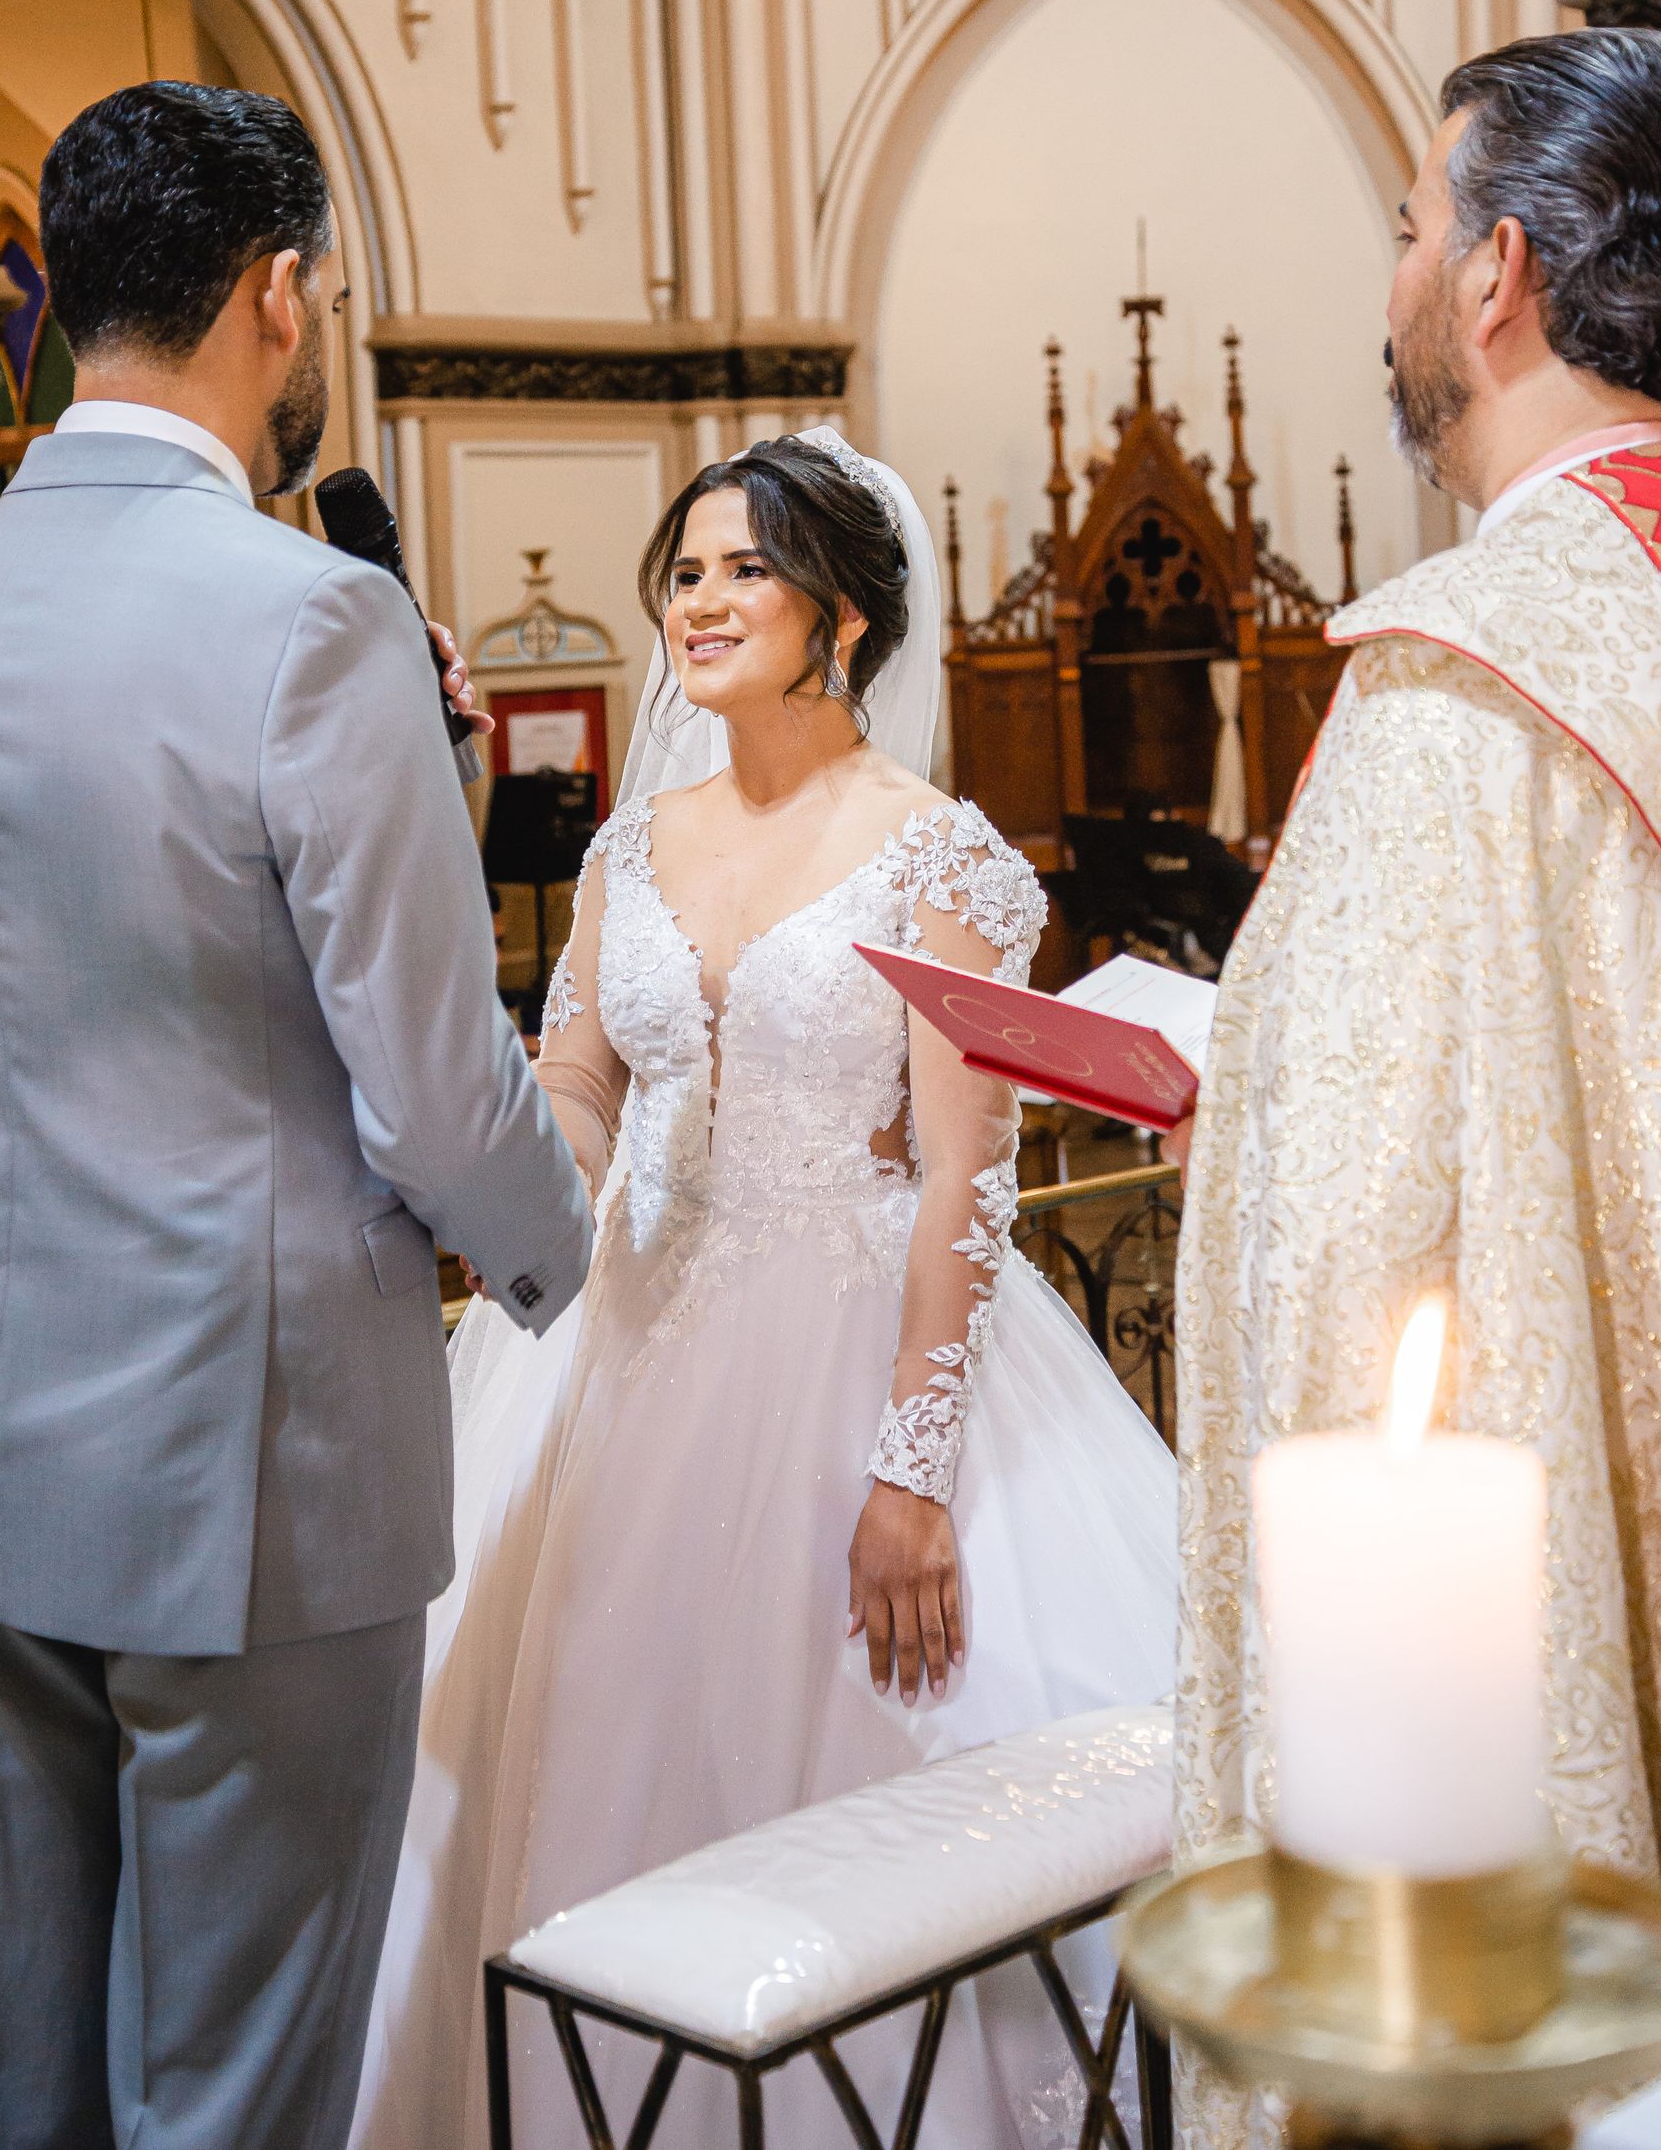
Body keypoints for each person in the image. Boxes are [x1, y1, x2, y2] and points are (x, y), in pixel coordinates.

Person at [0, 81, 591, 2150]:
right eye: (330, 295)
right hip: (258, 1464)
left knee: (20, 2083)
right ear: (278, 293)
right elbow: (441, 1089)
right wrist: (571, 1264)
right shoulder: (312, 620)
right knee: (233, 2090)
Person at [350, 431, 1177, 2150]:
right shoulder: (627, 851)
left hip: (859, 1345)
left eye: (746, 569)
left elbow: (967, 1172)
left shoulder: (936, 853)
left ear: (847, 616)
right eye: (687, 571)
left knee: (878, 1786)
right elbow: (578, 1083)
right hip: (632, 1345)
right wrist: (486, 1167)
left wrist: (911, 1471)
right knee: (569, 1745)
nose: (700, 601)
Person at [1174, 31, 1661, 2090]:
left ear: (1496, 274)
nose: (1391, 271)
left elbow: (1346, 1262)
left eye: (1409, 223)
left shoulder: (1459, 687)